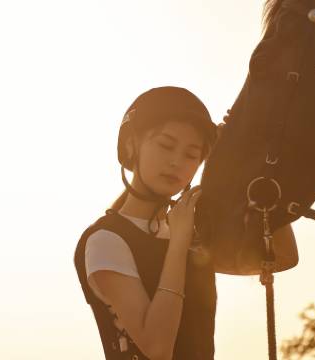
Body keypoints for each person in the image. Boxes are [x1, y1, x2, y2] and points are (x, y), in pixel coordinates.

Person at [73, 86, 219, 360]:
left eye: (191, 154)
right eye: (165, 145)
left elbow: (281, 257)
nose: (176, 162)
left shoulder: (193, 233)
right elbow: (157, 348)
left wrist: (244, 157)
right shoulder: (106, 240)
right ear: (131, 145)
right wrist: (179, 242)